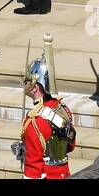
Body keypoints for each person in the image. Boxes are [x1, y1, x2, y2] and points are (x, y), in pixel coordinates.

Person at [14, 39, 76, 179]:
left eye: (27, 82)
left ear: (35, 87)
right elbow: (70, 146)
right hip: (63, 173)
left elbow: (33, 166)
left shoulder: (35, 121)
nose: (25, 85)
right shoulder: (63, 108)